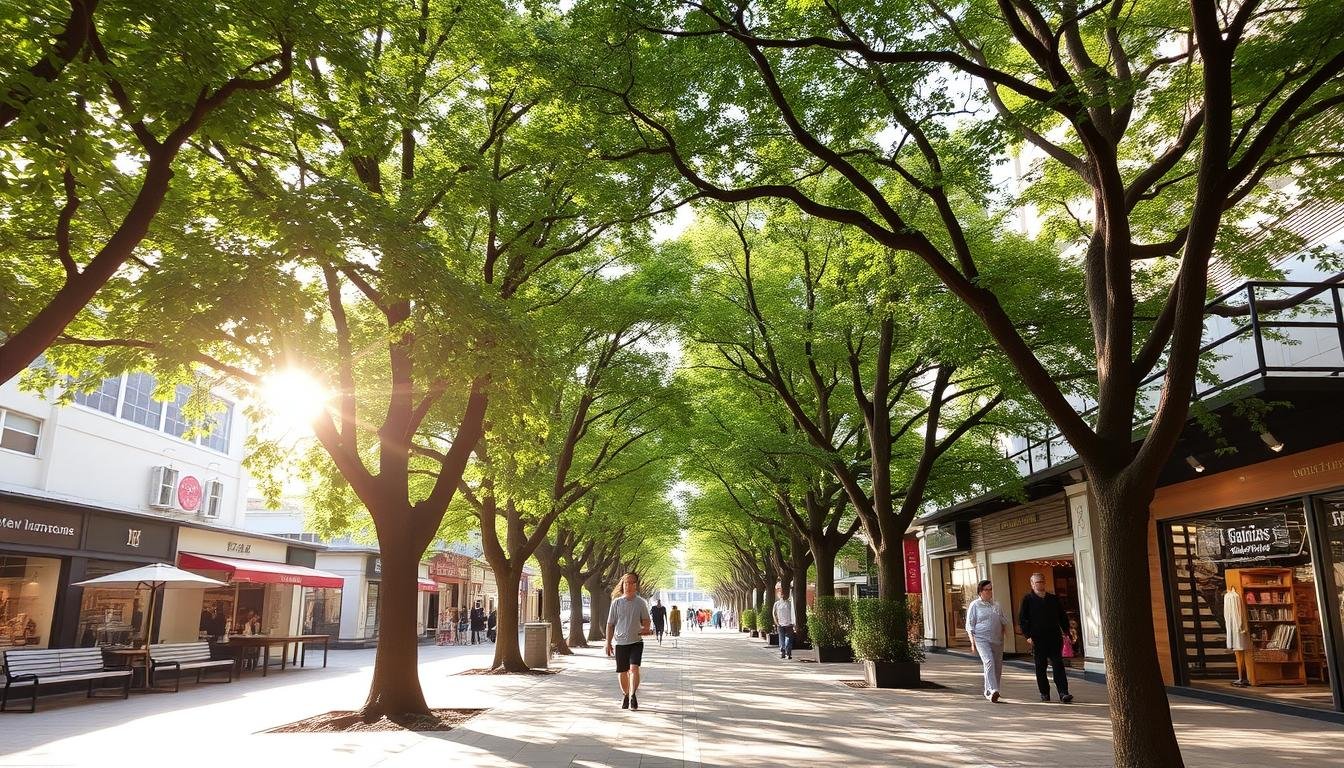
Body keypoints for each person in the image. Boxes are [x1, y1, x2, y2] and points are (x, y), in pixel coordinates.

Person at [1019, 571, 1073, 703]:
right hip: (1038, 639)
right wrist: (1027, 635)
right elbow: (1022, 619)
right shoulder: (1027, 600)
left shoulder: (1053, 599)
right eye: (1037, 582)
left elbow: (1062, 616)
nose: (1040, 584)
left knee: (1058, 664)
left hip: (1054, 637)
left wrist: (1066, 632)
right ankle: (1044, 693)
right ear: (1032, 584)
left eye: (1042, 581)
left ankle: (1063, 692)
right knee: (1040, 666)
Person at [605, 572, 652, 710]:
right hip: (620, 643)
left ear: (636, 585)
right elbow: (610, 624)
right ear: (622, 585)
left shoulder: (641, 603)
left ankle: (633, 695)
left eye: (631, 582)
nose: (628, 585)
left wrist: (645, 628)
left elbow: (646, 621)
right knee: (622, 671)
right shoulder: (616, 603)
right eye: (626, 582)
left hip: (636, 642)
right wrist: (608, 642)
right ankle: (625, 694)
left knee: (634, 668)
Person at [965, 579, 1011, 702]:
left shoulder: (996, 605)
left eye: (991, 589)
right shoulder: (975, 605)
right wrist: (972, 642)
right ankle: (993, 689)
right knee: (989, 661)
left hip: (997, 639)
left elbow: (1004, 622)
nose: (990, 592)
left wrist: (1008, 638)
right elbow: (970, 625)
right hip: (981, 639)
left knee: (997, 666)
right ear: (980, 591)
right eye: (987, 590)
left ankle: (990, 692)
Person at [772, 586, 796, 660]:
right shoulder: (789, 603)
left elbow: (773, 613)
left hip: (781, 624)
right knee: (788, 638)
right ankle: (788, 652)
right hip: (789, 624)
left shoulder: (777, 604)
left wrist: (776, 623)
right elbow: (793, 613)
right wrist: (794, 623)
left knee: (781, 638)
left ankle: (783, 651)